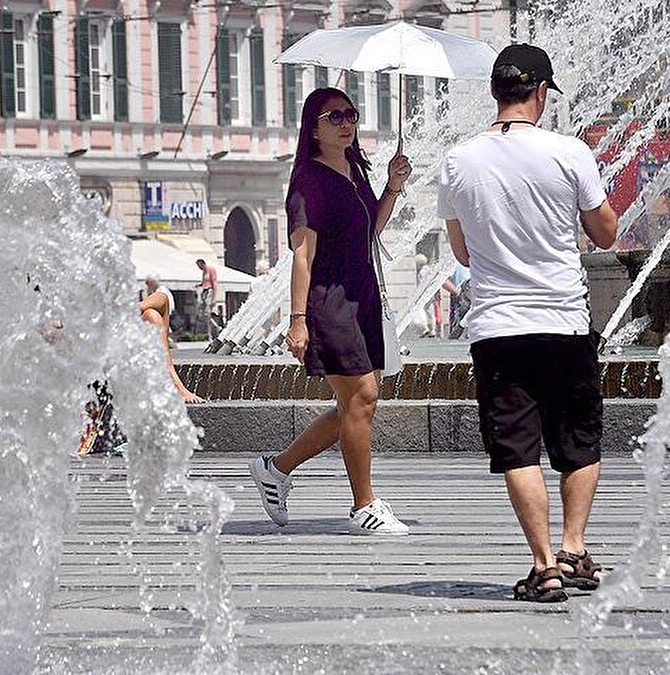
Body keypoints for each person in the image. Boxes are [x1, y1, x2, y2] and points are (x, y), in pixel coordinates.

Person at [436, 44, 619, 602]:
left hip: (497, 328)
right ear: (541, 93)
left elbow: (463, 253)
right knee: (578, 441)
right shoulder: (570, 153)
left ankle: (543, 567)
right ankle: (573, 546)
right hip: (564, 321)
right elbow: (606, 233)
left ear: (495, 94)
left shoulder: (458, 161)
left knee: (518, 449)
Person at [248, 87, 413, 536]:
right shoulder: (309, 180)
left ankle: (275, 468)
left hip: (361, 296)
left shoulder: (355, 169)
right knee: (362, 398)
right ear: (313, 127)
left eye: (351, 114)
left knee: (353, 405)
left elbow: (369, 231)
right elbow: (302, 256)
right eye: (334, 116)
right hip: (329, 301)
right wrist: (297, 319)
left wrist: (392, 189)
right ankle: (365, 505)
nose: (346, 122)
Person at [140, 274, 203, 404]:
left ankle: (170, 375)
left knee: (157, 305)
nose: (147, 286)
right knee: (152, 314)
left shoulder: (161, 291)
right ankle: (171, 376)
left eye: (148, 283)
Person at [445, 263, 471, 339]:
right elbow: (443, 280)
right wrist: (457, 292)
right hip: (462, 297)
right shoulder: (454, 263)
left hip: (468, 294)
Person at [196, 258, 219, 340]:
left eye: (199, 266)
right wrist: (199, 285)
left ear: (202, 263)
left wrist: (214, 298)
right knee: (204, 314)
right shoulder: (204, 272)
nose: (199, 268)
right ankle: (211, 331)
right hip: (204, 292)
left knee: (208, 313)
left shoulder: (211, 269)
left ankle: (215, 330)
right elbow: (204, 282)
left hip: (210, 291)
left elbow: (214, 283)